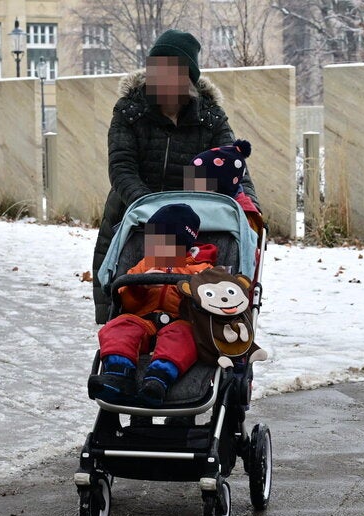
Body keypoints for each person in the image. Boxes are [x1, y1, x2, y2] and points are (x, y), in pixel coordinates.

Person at [93, 29, 260, 324]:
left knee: (187, 301)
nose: (160, 78)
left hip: (197, 221)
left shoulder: (210, 117)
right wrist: (149, 207)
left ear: (188, 79)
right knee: (123, 296)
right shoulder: (130, 111)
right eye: (155, 69)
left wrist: (249, 210)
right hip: (134, 213)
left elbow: (232, 164)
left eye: (171, 71)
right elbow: (121, 167)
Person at [87, 204, 217, 406]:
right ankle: (118, 376)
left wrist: (187, 287)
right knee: (119, 326)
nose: (154, 247)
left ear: (181, 243)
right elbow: (125, 297)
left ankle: (158, 378)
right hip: (143, 321)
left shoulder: (201, 269)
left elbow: (209, 301)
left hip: (180, 322)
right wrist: (139, 286)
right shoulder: (145, 264)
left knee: (186, 335)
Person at [187, 139, 264, 235]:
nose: (189, 189)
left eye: (196, 182)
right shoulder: (193, 203)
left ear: (221, 188)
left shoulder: (240, 216)